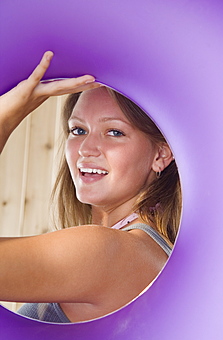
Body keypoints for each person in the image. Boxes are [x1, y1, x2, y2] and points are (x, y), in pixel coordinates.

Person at [0, 52, 181, 323]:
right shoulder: (139, 247)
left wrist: (5, 118)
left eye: (114, 132)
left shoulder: (106, 252)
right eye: (78, 130)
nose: (86, 149)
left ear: (161, 155)